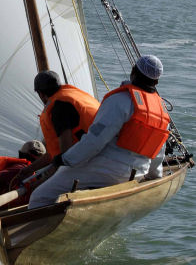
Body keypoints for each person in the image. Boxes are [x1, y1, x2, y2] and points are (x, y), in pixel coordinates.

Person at [28, 55, 170, 209]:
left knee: (39, 197)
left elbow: (95, 141)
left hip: (106, 170)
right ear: (156, 81)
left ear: (133, 71)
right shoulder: (162, 111)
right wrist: (155, 176)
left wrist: (65, 160)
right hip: (137, 173)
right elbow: (158, 152)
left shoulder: (120, 100)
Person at [14, 70, 100, 183]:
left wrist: (40, 182)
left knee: (38, 197)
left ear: (41, 94)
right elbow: (55, 153)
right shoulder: (75, 96)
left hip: (93, 162)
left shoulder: (59, 108)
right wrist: (29, 170)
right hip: (104, 151)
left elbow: (66, 156)